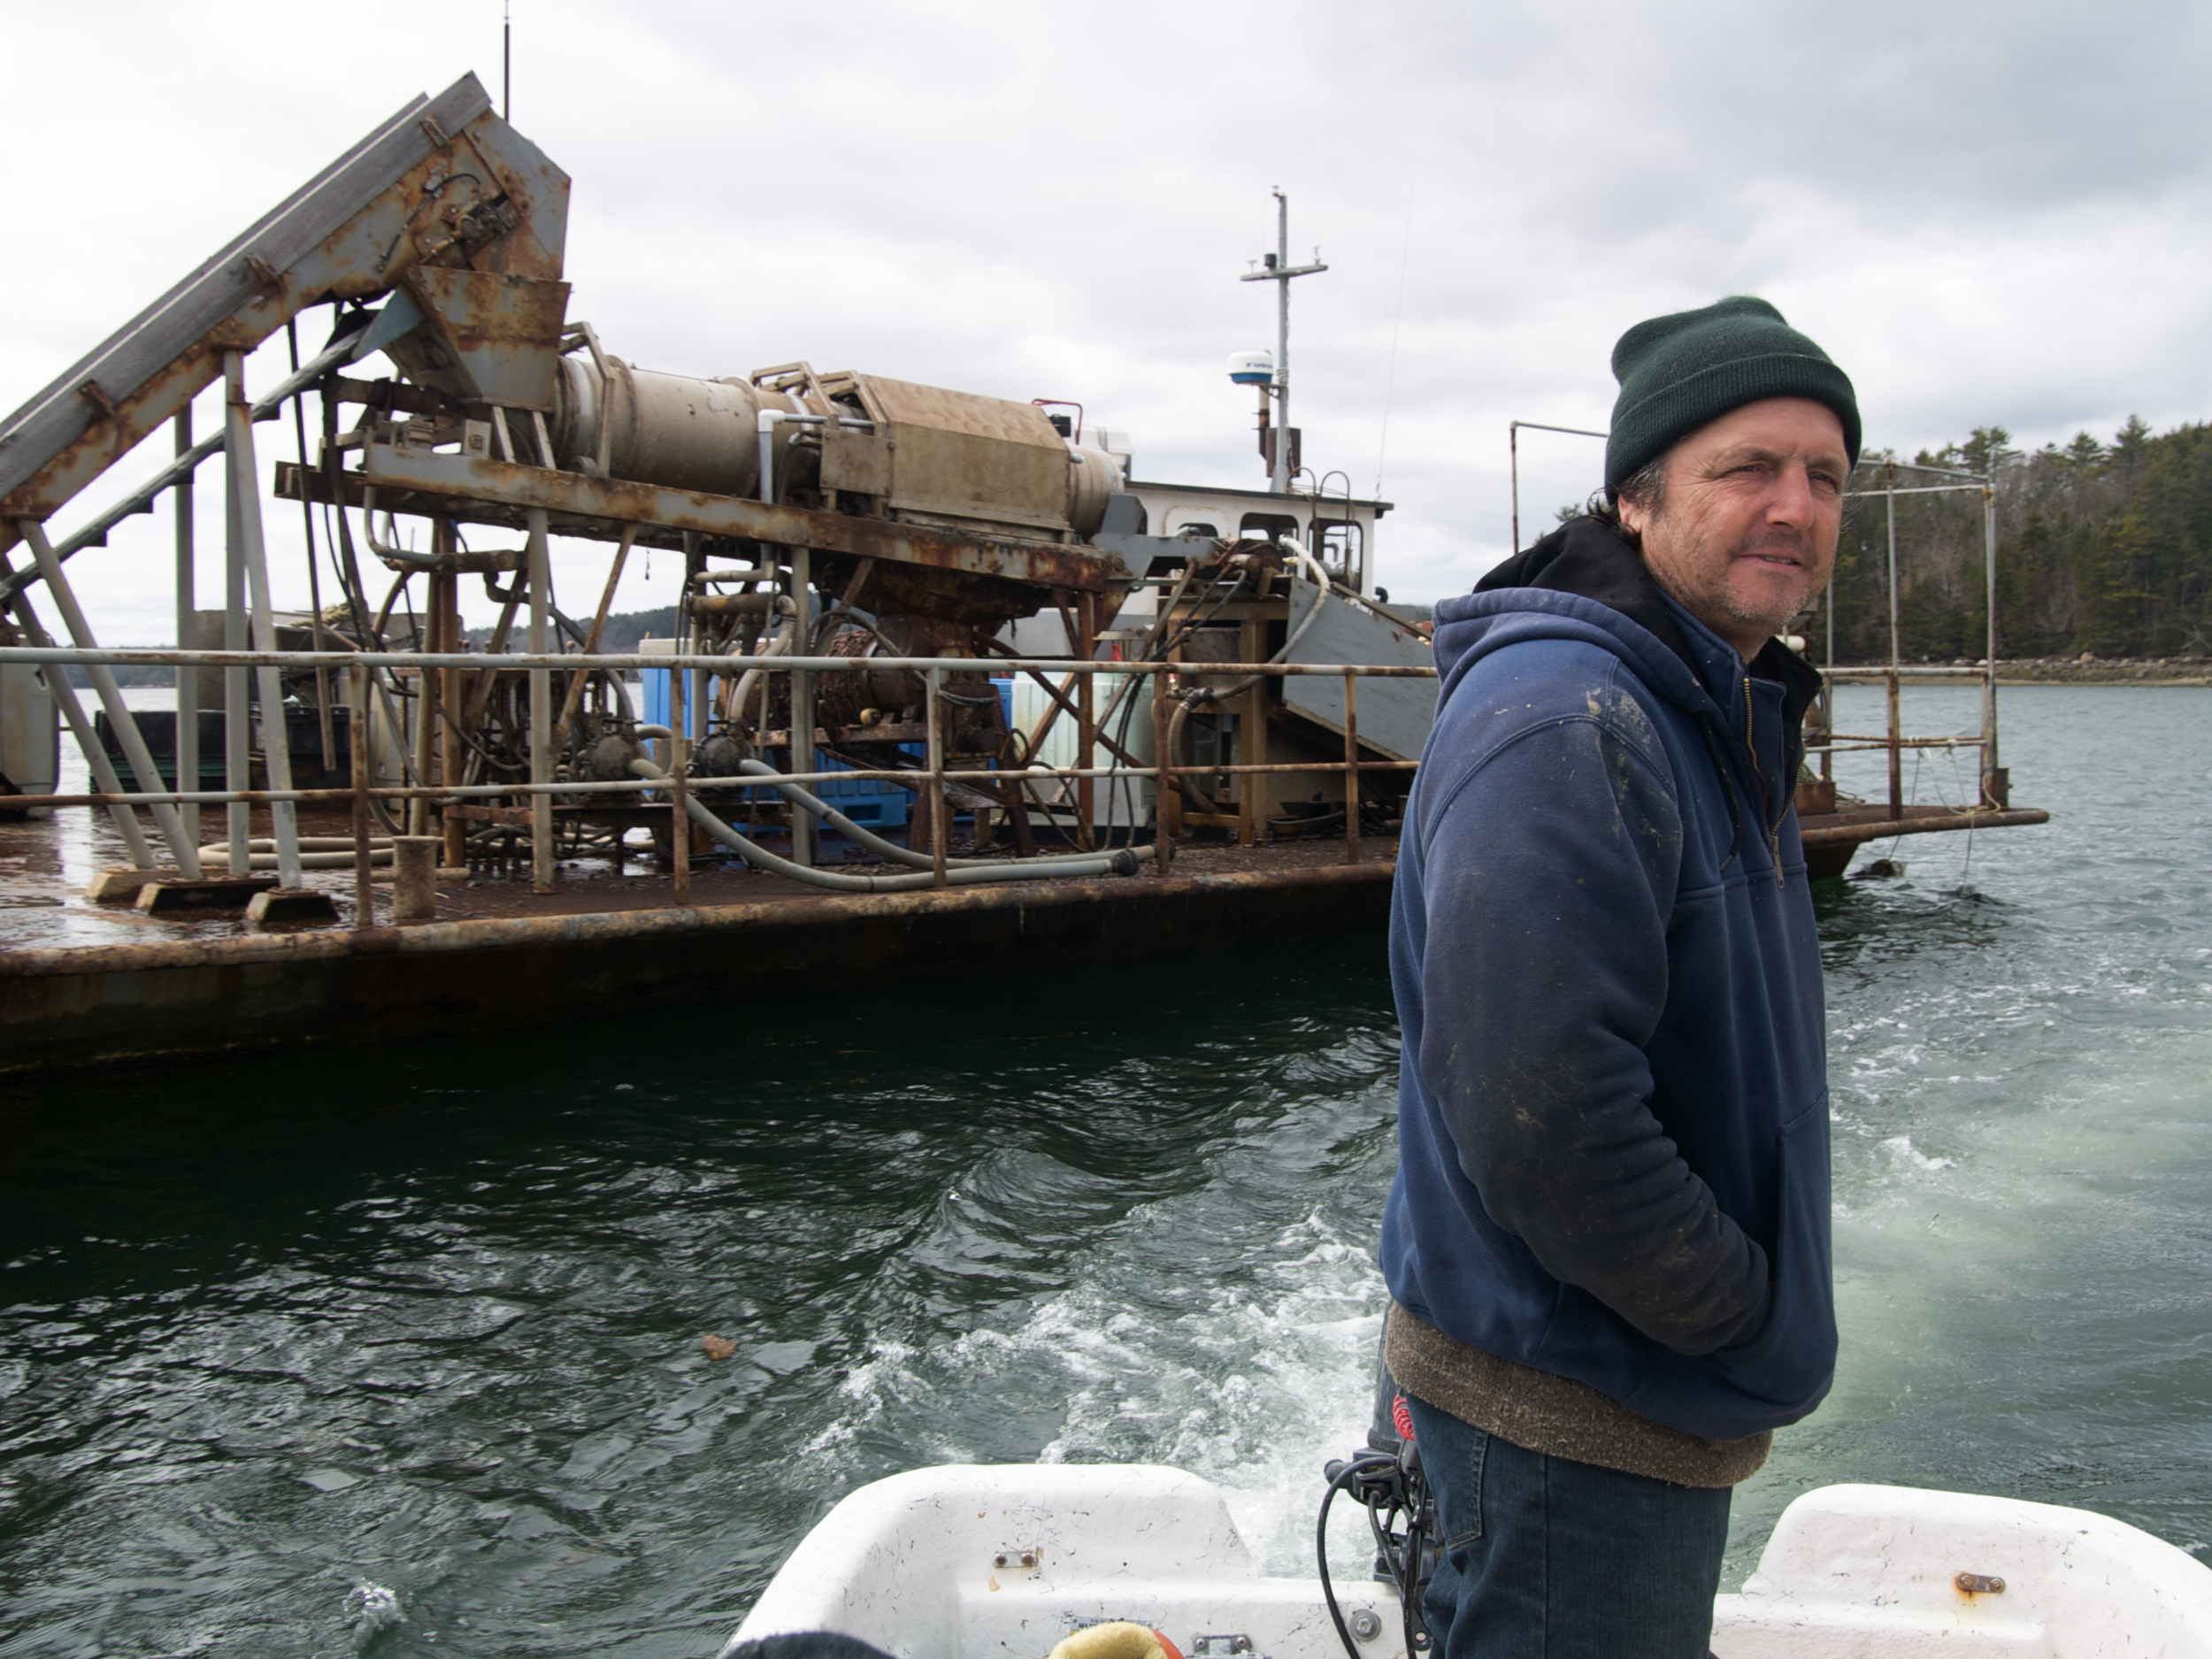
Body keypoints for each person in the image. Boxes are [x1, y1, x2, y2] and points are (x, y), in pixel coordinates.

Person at [1377, 296, 1856, 1655]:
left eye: (1824, 476)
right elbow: (1547, 1120)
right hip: (1567, 1424)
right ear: (1637, 501)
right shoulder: (1568, 724)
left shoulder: (1713, 700)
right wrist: (1738, 1320)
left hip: (1599, 1396)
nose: (1793, 506)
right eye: (1746, 468)